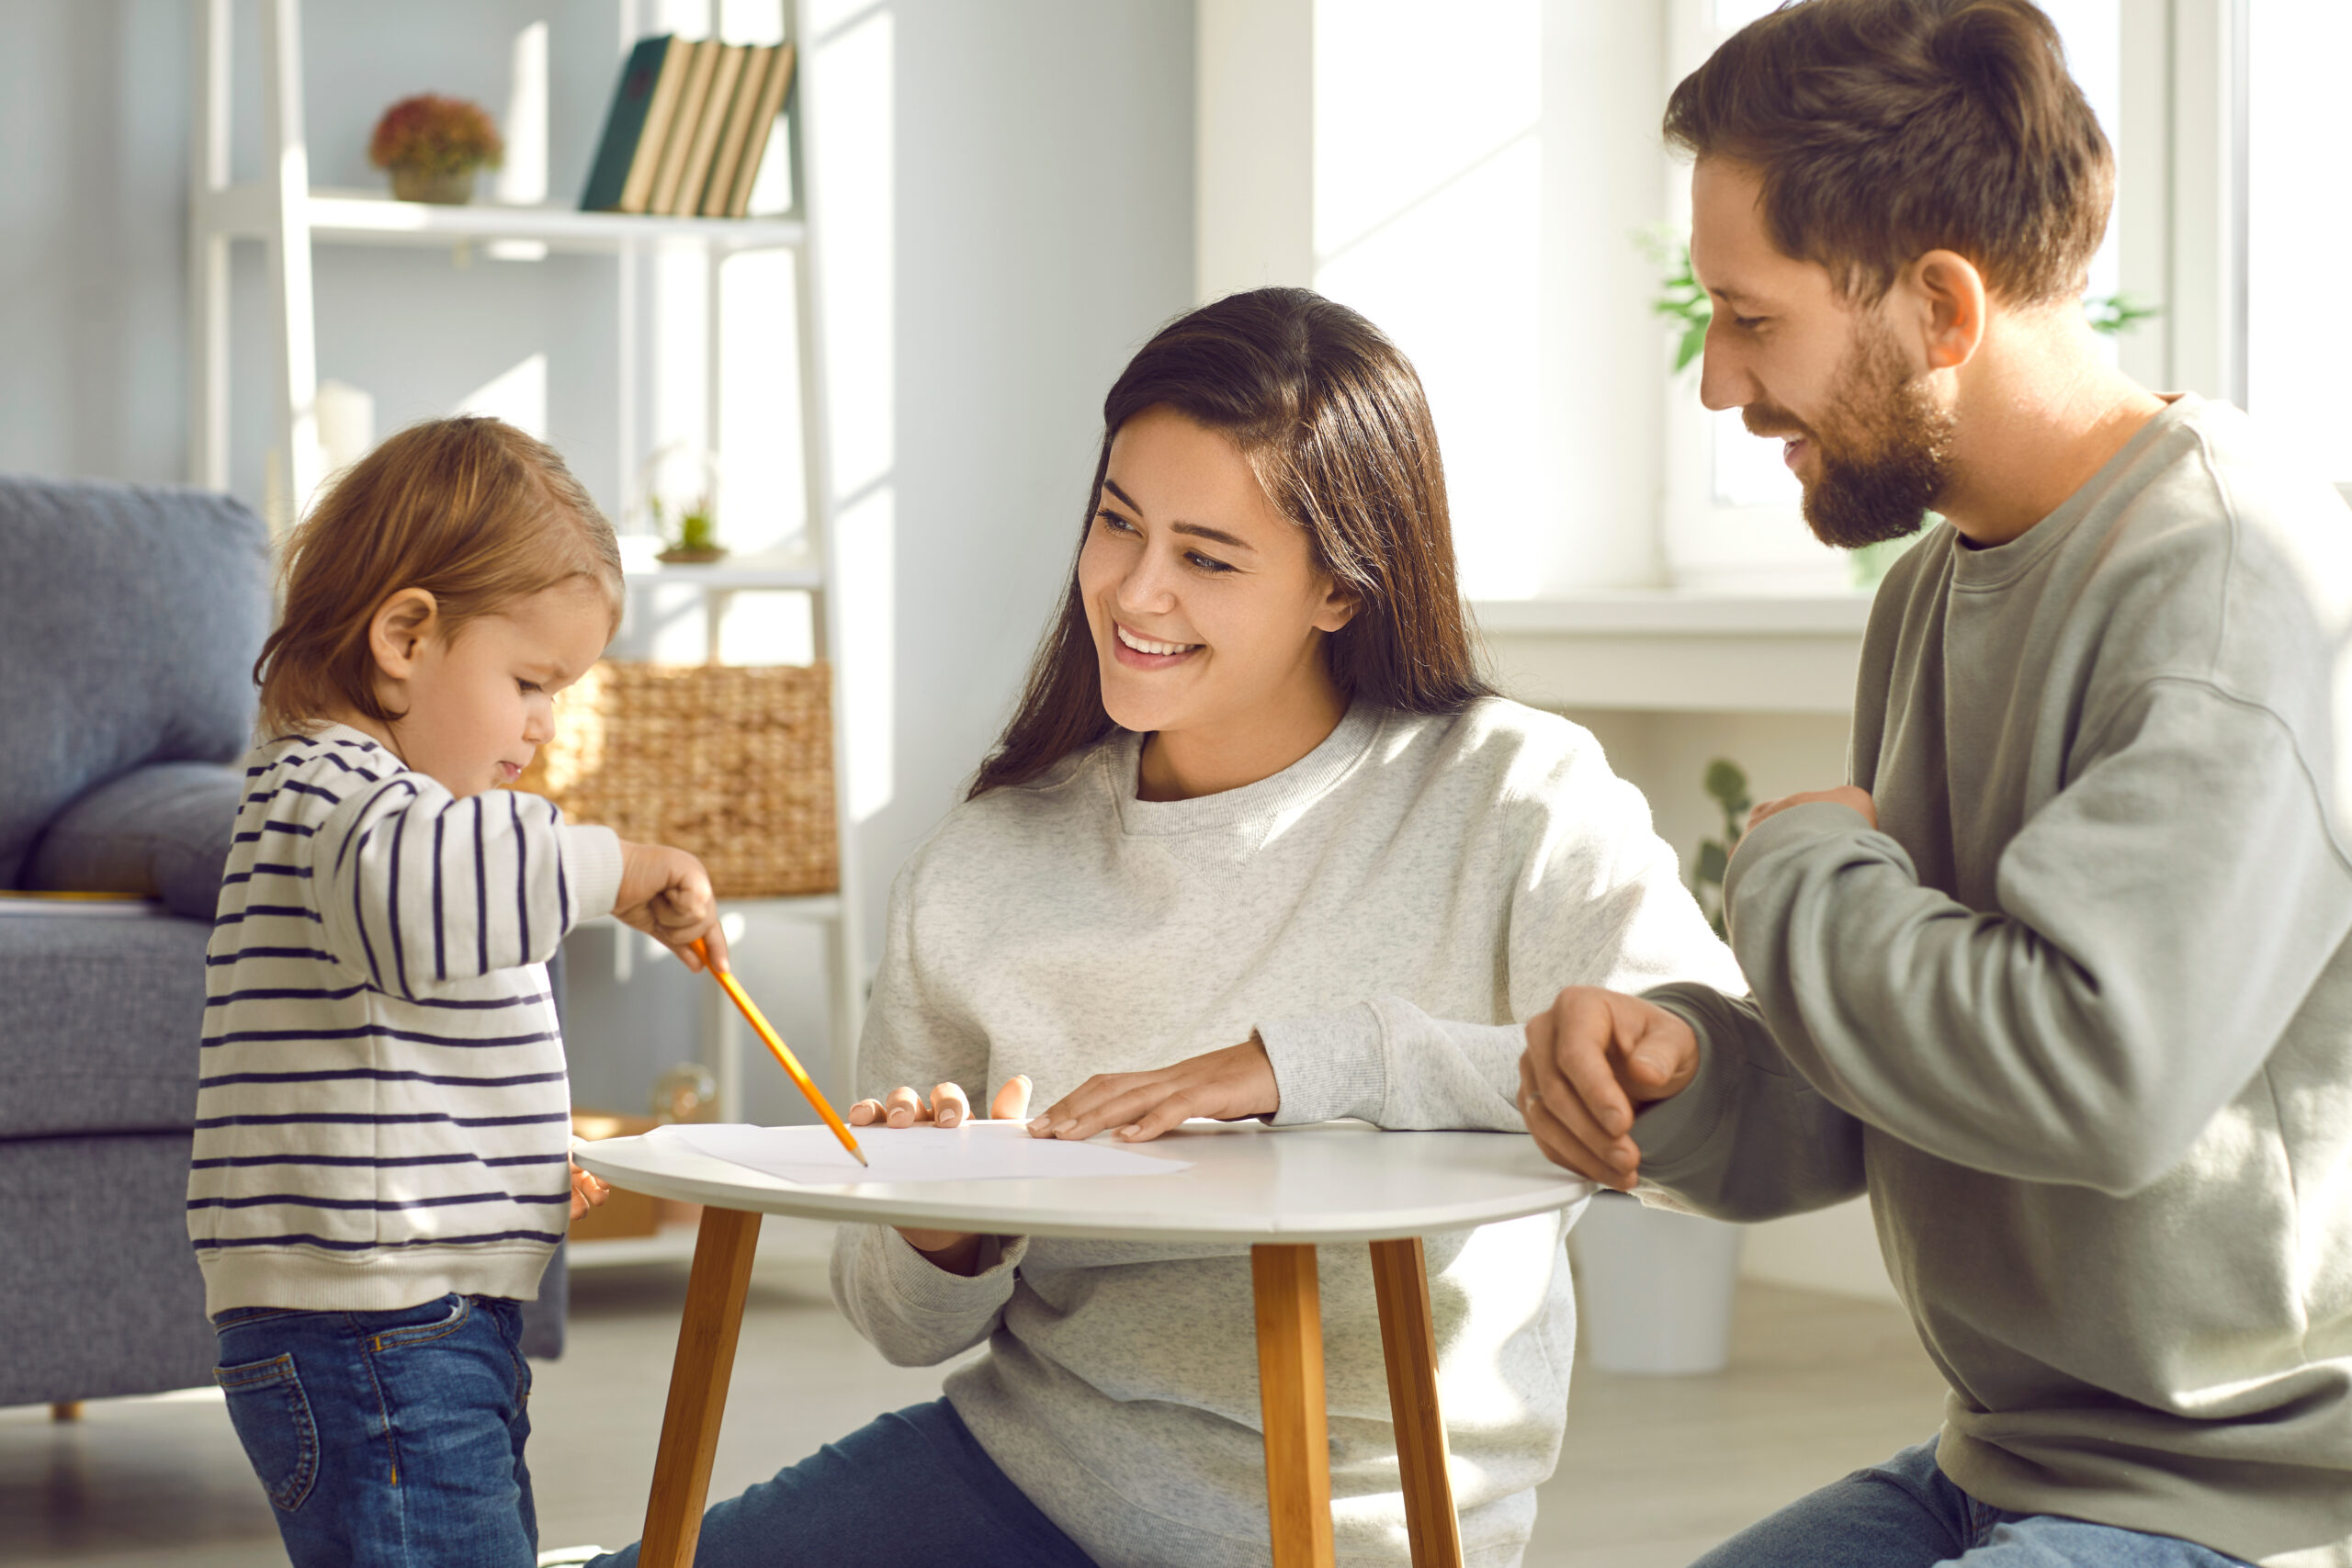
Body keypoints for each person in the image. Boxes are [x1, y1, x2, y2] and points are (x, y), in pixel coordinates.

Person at [567, 288, 1741, 1568]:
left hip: (1348, 1523)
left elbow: (1704, 1093)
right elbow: (897, 1323)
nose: (1133, 589)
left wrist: (1310, 1061)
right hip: (1024, 1475)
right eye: (1117, 522)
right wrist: (943, 1222)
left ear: (1342, 587)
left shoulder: (1514, 794)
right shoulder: (990, 862)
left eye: (1208, 555)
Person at [1516, 3, 2352, 1564]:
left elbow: (2093, 1076)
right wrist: (1688, 1077)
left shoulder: (2234, 583)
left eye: (1752, 322)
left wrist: (1795, 871)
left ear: (1943, 307)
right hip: (2007, 1459)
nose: (1719, 388)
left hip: (2256, 1511)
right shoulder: (1929, 592)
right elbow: (1903, 1087)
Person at [192, 417, 729, 1567]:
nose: (545, 725)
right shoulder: (341, 794)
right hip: (378, 1329)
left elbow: (407, 1048)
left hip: (404, 1314)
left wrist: (509, 1162)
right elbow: (430, 898)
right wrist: (619, 866)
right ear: (405, 637)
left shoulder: (377, 815)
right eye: (530, 681)